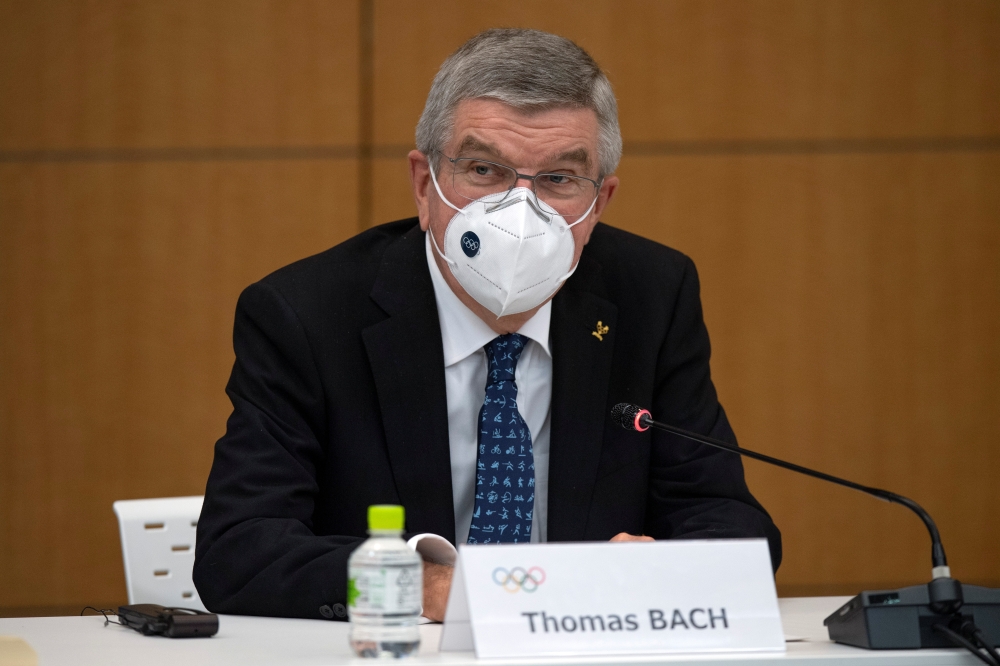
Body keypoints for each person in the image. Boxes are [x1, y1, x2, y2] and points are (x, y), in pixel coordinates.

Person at [193, 28, 780, 622]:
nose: (519, 210)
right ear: (425, 186)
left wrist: (667, 570)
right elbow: (238, 554)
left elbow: (729, 523)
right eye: (483, 169)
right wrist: (438, 591)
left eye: (558, 179)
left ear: (599, 203)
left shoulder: (650, 295)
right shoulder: (308, 315)